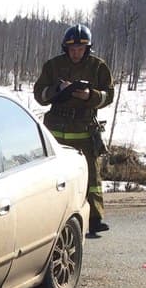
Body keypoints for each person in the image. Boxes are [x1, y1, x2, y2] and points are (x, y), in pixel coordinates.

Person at [34, 23, 115, 237]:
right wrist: (57, 90)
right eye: (72, 49)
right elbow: (39, 94)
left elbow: (109, 95)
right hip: (56, 130)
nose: (76, 53)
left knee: (91, 176)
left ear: (87, 49)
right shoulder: (53, 66)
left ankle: (95, 219)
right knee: (52, 177)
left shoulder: (98, 67)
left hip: (85, 130)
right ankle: (47, 218)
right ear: (65, 48)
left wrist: (90, 96)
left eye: (80, 49)